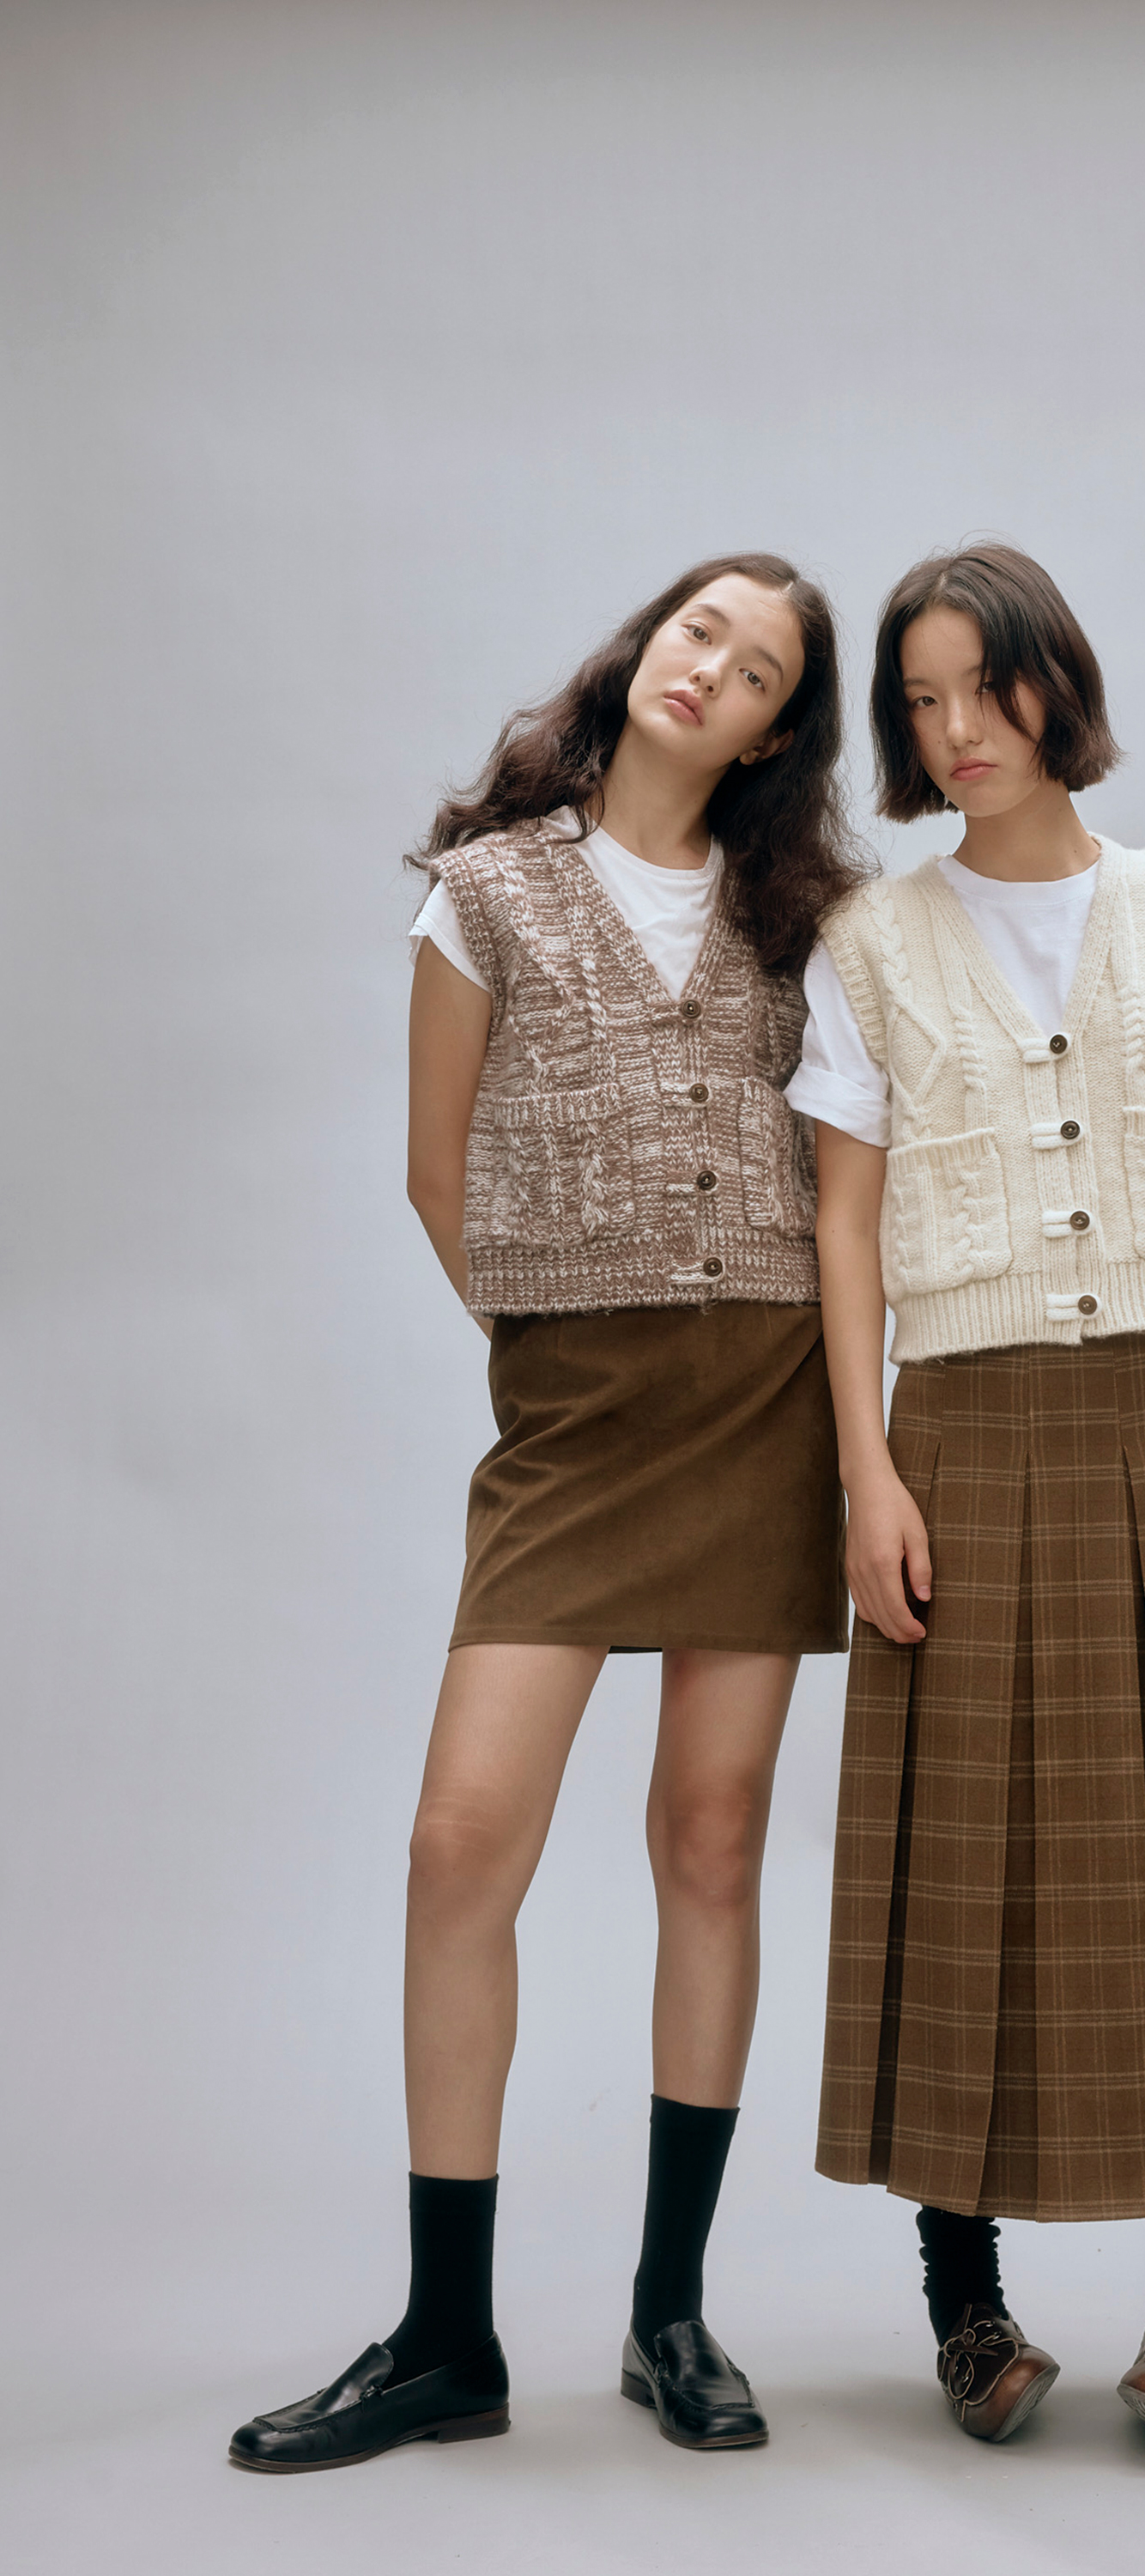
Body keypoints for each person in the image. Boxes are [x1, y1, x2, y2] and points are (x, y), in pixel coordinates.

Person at [231, 554, 865, 2473]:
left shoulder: (812, 922)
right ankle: (447, 2336)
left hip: (766, 1404)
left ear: (771, 731)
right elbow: (436, 1175)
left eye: (757, 670)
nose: (712, 671)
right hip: (576, 1418)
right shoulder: (489, 889)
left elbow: (853, 1176)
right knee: (460, 1846)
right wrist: (554, 1341)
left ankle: (670, 2313)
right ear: (644, 646)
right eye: (700, 631)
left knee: (713, 1839)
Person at [790, 543, 1145, 2458]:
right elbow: (844, 1228)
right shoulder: (868, 942)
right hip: (960, 1434)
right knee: (959, 1858)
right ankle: (965, 2316)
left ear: (1057, 683)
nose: (956, 730)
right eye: (919, 702)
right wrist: (864, 1471)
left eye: (984, 685)